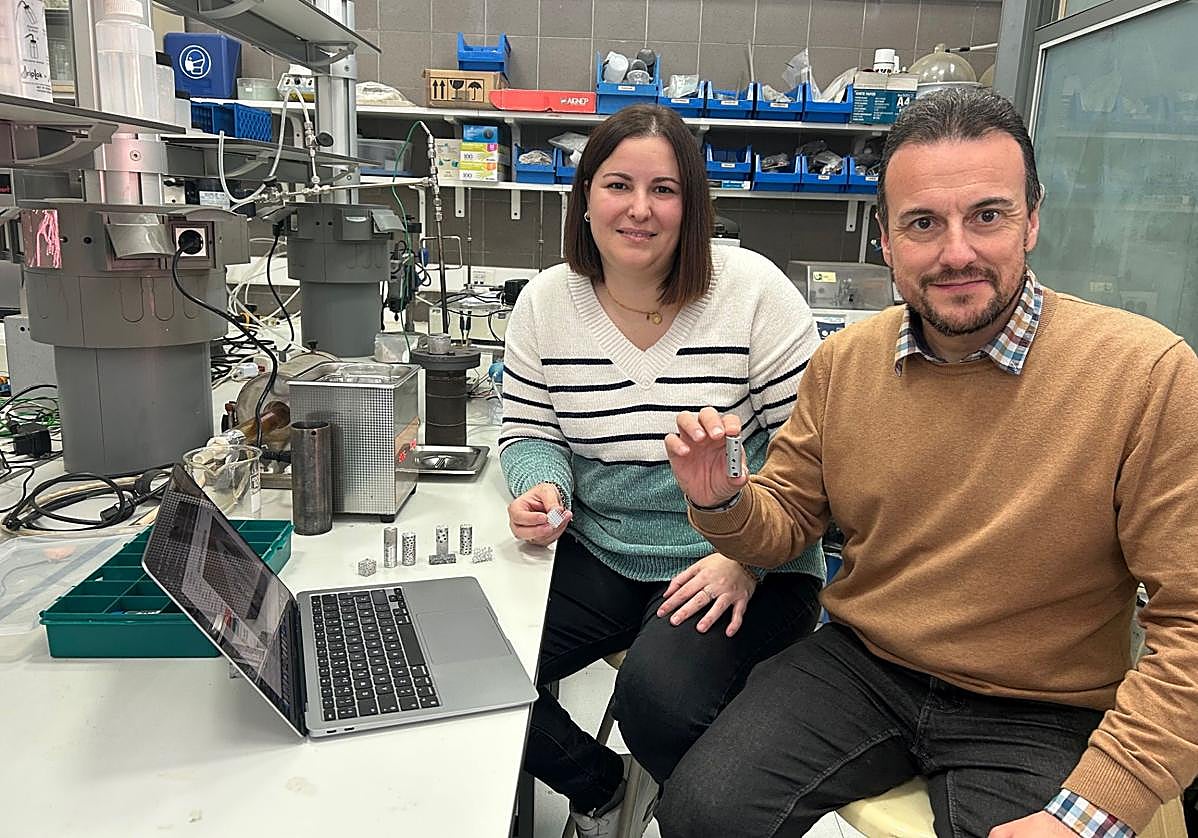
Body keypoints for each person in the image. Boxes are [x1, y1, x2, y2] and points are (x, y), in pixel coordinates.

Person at [659, 88, 1198, 838]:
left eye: (987, 214)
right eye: (923, 223)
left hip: (1044, 706)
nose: (956, 252)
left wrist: (1093, 811)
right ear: (885, 238)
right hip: (864, 664)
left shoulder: (1146, 374)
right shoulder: (846, 362)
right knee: (699, 812)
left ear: (1032, 218)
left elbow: (1191, 622)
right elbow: (783, 527)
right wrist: (723, 502)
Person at [498, 103, 826, 836]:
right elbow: (528, 428)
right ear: (585, 199)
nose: (639, 210)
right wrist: (541, 485)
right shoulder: (547, 304)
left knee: (661, 703)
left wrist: (747, 553)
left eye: (665, 190)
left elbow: (818, 446)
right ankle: (600, 786)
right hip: (604, 547)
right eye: (618, 185)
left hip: (743, 553)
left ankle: (707, 817)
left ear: (694, 207)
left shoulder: (751, 291)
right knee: (471, 664)